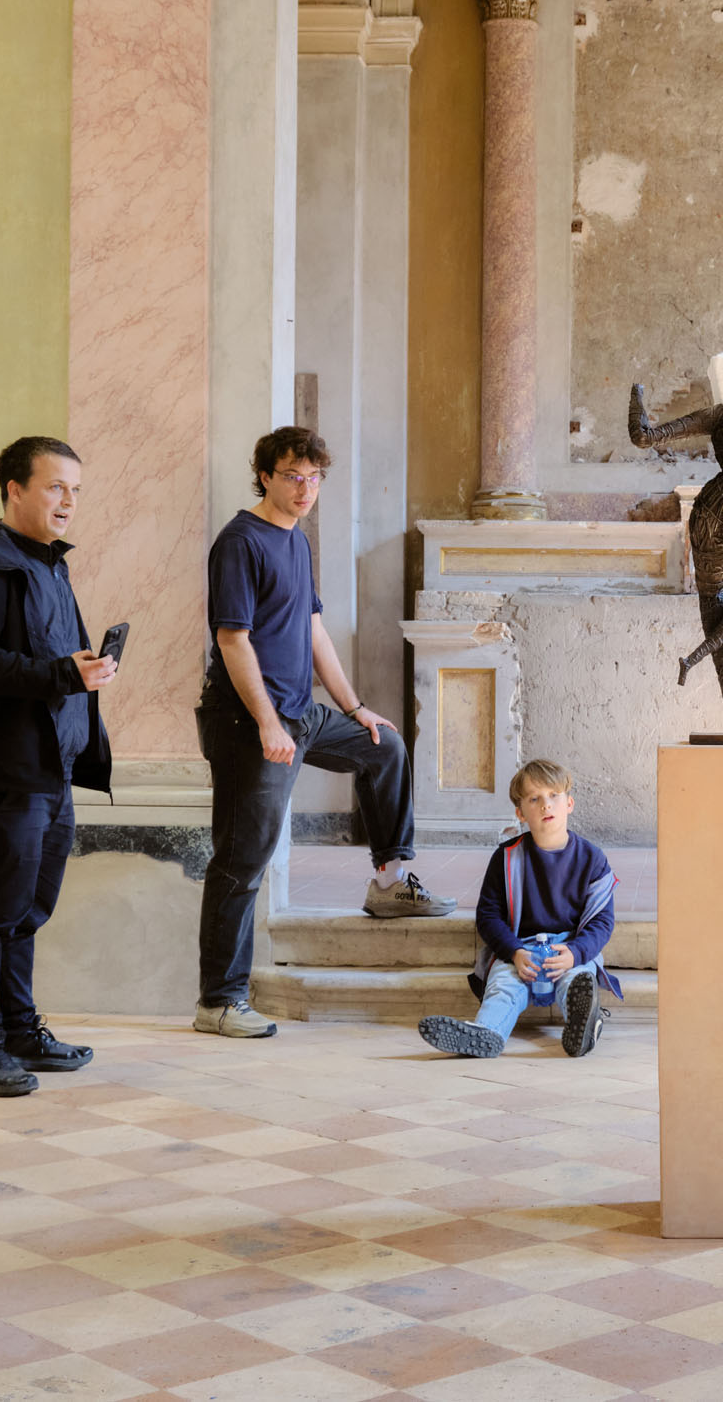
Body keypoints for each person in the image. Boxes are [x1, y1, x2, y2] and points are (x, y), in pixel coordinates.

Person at [195, 426, 455, 1038]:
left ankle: (388, 882)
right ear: (265, 476)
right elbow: (232, 640)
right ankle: (218, 1001)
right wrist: (267, 722)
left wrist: (356, 707)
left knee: (384, 747)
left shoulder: (296, 540)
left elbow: (313, 631)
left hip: (300, 713)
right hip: (247, 721)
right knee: (242, 861)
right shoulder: (240, 542)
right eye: (293, 476)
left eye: (315, 478)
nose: (305, 488)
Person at [0, 436, 115, 1097]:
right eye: (55, 486)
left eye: (76, 490)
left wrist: (82, 670)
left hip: (50, 768)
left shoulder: (49, 565)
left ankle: (17, 1029)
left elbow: (51, 661)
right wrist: (62, 673)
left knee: (28, 908)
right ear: (14, 489)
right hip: (1, 770)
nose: (68, 501)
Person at [418, 758, 618, 1058]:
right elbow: (488, 915)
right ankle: (486, 1033)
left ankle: (584, 1022)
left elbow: (602, 921)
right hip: (520, 949)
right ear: (520, 813)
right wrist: (513, 951)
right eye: (534, 799)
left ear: (569, 803)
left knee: (577, 980)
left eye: (554, 796)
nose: (545, 805)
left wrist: (576, 953)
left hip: (568, 949)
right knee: (503, 986)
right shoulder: (506, 857)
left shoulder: (592, 859)